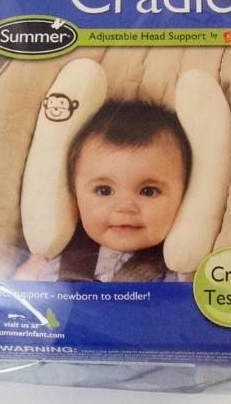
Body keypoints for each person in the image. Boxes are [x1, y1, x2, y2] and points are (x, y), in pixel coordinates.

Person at [14, 100, 192, 282]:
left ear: (186, 195)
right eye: (104, 190)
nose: (125, 207)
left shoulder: (184, 272)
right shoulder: (49, 261)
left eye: (148, 191)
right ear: (74, 194)